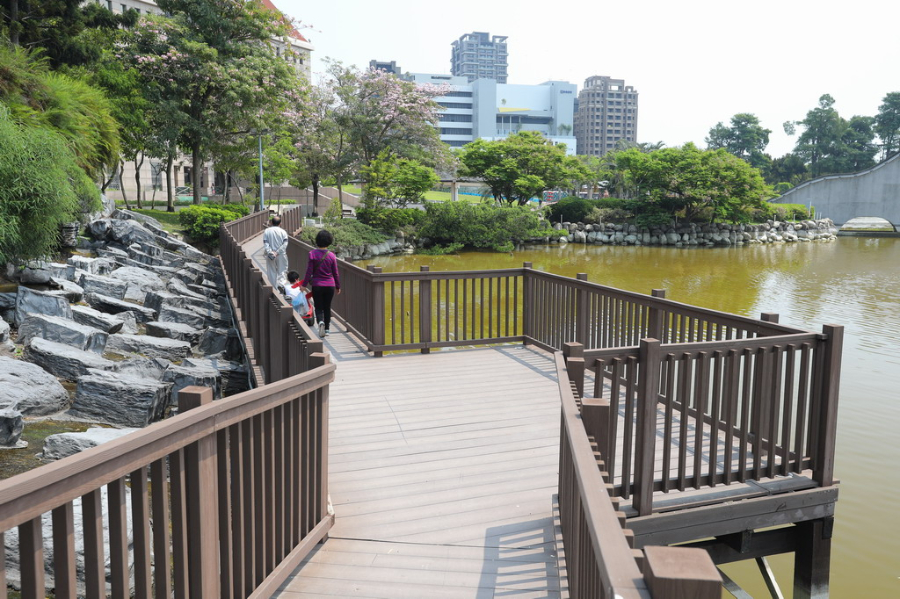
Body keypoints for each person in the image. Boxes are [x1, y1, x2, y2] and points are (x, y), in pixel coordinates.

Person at [303, 229, 341, 337]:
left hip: (317, 285)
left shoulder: (312, 254)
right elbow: (336, 273)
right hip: (330, 285)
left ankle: (320, 322)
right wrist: (338, 286)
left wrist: (304, 285)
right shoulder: (332, 256)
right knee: (327, 307)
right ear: (329, 241)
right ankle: (327, 329)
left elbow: (309, 271)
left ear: (317, 240)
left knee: (318, 307)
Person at [262, 214, 289, 290]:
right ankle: (281, 284)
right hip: (281, 254)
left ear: (271, 223)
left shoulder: (267, 231)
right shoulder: (283, 232)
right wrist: (277, 252)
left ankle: (273, 288)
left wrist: (270, 252)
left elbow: (266, 243)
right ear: (280, 223)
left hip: (270, 255)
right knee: (282, 270)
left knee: (271, 271)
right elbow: (285, 243)